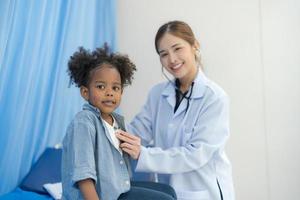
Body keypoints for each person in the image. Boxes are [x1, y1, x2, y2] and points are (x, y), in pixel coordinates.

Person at [116, 21, 235, 200]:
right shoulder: (157, 94)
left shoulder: (215, 98)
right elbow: (137, 131)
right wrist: (109, 132)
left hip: (204, 192)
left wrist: (143, 154)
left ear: (195, 46)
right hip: (167, 192)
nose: (172, 59)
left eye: (177, 48)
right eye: (164, 54)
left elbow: (196, 154)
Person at [61, 45, 177, 200]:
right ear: (85, 92)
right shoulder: (84, 121)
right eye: (101, 86)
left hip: (116, 189)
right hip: (100, 195)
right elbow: (83, 174)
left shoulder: (117, 122)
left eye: (115, 88)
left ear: (121, 92)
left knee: (168, 191)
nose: (109, 92)